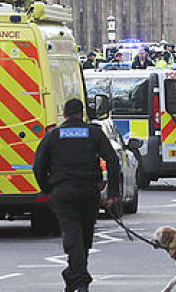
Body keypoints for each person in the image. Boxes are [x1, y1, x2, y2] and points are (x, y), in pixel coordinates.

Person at [33, 98, 121, 292]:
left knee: (73, 235)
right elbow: (113, 160)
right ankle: (79, 279)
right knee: (85, 235)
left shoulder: (53, 135)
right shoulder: (94, 133)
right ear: (82, 114)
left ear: (64, 115)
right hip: (88, 191)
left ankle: (75, 276)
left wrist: (47, 189)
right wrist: (112, 193)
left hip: (63, 192)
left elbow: (38, 165)